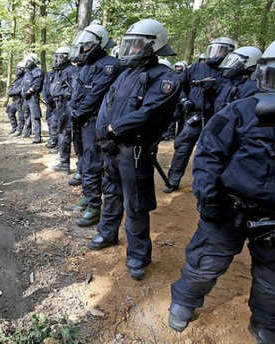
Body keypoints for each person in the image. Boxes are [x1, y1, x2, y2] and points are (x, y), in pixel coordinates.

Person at [168, 30, 275, 344]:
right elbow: (208, 155)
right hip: (230, 210)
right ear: (269, 75)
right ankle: (184, 300)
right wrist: (209, 203)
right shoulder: (241, 112)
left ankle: (267, 323)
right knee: (205, 263)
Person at [91, 19, 181, 281]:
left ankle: (138, 254)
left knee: (136, 204)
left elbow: (149, 113)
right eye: (129, 45)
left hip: (136, 149)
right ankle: (108, 233)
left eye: (136, 45)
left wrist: (113, 130)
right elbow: (106, 105)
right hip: (113, 147)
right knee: (111, 191)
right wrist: (103, 134)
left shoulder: (166, 78)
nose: (130, 50)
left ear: (153, 46)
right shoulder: (125, 73)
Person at [66, 24, 122, 226]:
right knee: (82, 160)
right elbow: (77, 92)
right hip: (80, 121)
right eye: (82, 46)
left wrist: (78, 112)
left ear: (100, 43)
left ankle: (94, 207)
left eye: (87, 46)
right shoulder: (85, 65)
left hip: (94, 121)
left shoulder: (110, 65)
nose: (83, 50)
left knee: (92, 163)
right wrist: (72, 109)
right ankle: (88, 197)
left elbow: (96, 94)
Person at [163, 36, 235, 193]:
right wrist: (184, 100)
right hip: (196, 116)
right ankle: (173, 180)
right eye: (214, 49)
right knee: (182, 146)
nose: (216, 53)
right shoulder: (196, 68)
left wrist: (212, 88)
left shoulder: (229, 72)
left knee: (215, 152)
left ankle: (212, 185)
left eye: (221, 50)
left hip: (218, 119)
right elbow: (178, 84)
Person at [49, 46, 77, 174]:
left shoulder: (71, 70)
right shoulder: (59, 71)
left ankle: (65, 164)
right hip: (58, 105)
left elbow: (75, 89)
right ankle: (63, 160)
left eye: (61, 56)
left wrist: (67, 99)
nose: (58, 59)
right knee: (61, 132)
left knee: (65, 133)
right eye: (57, 56)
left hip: (66, 105)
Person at [214, 46, 262, 112]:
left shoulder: (254, 87)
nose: (232, 65)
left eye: (236, 62)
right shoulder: (230, 83)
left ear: (248, 63)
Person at [20, 53, 44, 144]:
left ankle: (37, 137)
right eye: (27, 61)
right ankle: (26, 133)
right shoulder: (27, 71)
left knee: (35, 117)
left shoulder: (38, 71)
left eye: (29, 61)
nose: (28, 62)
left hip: (32, 97)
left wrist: (29, 92)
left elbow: (36, 85)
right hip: (26, 97)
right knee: (26, 115)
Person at [6, 61, 26, 135]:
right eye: (17, 69)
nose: (18, 70)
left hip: (20, 100)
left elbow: (19, 90)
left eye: (19, 69)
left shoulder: (24, 79)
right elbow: (12, 89)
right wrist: (10, 93)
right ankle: (14, 128)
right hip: (14, 100)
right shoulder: (17, 79)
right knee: (10, 113)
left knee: (21, 116)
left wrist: (11, 93)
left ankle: (19, 130)